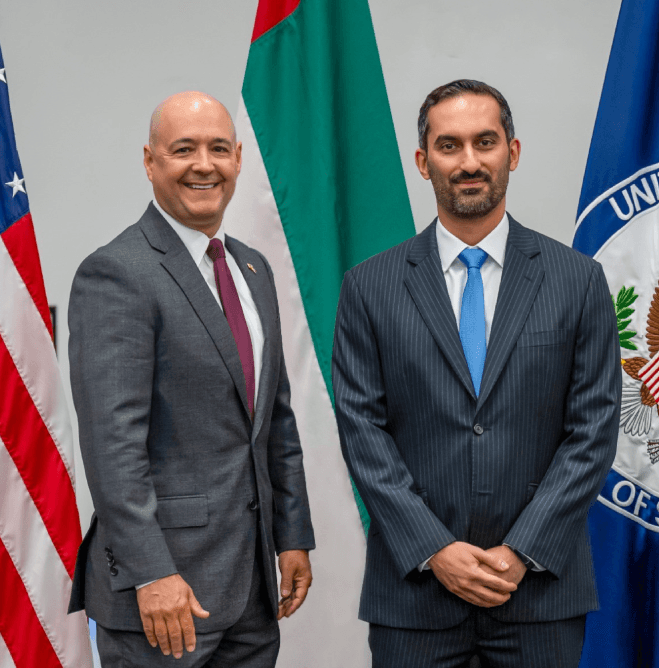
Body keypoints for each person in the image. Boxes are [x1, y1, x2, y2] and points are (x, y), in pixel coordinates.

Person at [332, 79, 621, 667]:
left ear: (512, 153)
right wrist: (435, 548)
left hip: (539, 594)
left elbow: (593, 431)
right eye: (449, 145)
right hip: (414, 597)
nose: (468, 162)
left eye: (485, 142)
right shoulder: (370, 286)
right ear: (422, 161)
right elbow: (362, 430)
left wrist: (522, 550)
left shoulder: (578, 280)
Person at [67, 91, 315, 667]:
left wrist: (292, 534)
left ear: (239, 158)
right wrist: (151, 570)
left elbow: (273, 420)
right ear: (150, 161)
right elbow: (112, 446)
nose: (204, 164)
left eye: (218, 149)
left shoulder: (252, 269)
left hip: (251, 591)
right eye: (184, 149)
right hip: (164, 597)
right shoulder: (117, 273)